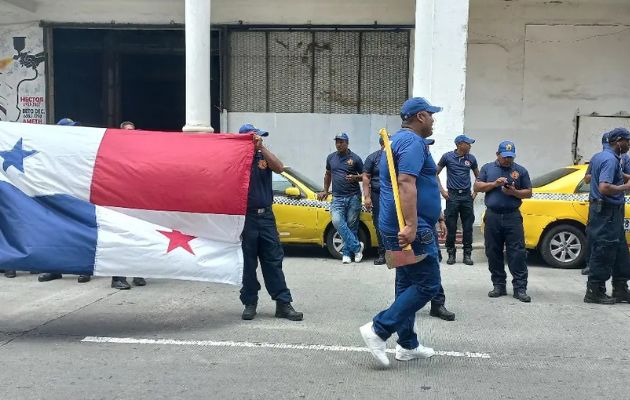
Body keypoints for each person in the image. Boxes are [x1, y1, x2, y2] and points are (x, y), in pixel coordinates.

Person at [359, 97, 443, 367]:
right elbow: (406, 183)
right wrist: (411, 224)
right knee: (428, 284)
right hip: (410, 229)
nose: (433, 120)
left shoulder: (395, 142)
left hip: (394, 225)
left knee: (407, 283)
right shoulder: (413, 142)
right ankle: (378, 329)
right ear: (420, 117)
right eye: (430, 115)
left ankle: (407, 345)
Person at [238, 124, 303, 321]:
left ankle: (283, 303)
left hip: (266, 217)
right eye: (256, 137)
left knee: (273, 261)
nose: (260, 139)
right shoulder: (238, 160)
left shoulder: (263, 156)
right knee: (248, 263)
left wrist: (262, 149)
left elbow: (280, 167)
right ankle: (250, 302)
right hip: (246, 218)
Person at [474, 141, 532, 302]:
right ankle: (498, 285)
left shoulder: (520, 171)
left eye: (511, 157)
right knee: (493, 251)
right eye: (505, 157)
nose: (508, 160)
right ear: (497, 154)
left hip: (512, 216)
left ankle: (520, 288)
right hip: (492, 216)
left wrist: (514, 192)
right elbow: (477, 186)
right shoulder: (488, 168)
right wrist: (494, 184)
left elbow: (528, 193)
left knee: (517, 252)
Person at [38, 117, 92, 284]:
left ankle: (83, 268)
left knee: (81, 230)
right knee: (55, 230)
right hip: (57, 193)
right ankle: (54, 268)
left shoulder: (81, 147)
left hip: (78, 193)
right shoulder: (51, 149)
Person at [583, 128, 630, 304]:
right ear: (618, 141)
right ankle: (595, 290)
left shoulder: (603, 157)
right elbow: (604, 187)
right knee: (603, 250)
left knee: (619, 250)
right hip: (606, 211)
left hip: (611, 212)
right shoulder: (610, 159)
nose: (629, 145)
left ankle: (620, 288)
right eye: (627, 141)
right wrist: (625, 187)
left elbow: (611, 176)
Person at [317, 133, 365, 264]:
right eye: (337, 142)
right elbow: (328, 175)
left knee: (351, 226)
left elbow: (365, 176)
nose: (338, 144)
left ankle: (347, 254)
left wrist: (355, 178)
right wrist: (325, 190)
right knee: (337, 221)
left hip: (353, 197)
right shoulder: (331, 158)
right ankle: (357, 247)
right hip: (337, 197)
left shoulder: (355, 158)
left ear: (347, 143)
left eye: (341, 142)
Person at [111, 120, 147, 290]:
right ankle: (118, 277)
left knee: (139, 236)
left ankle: (138, 272)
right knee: (121, 239)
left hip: (137, 201)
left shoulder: (140, 152)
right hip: (120, 201)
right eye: (127, 131)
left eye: (133, 131)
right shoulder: (115, 153)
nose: (131, 134)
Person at [437, 134, 479, 265]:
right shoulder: (447, 157)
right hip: (452, 196)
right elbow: (434, 173)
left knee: (468, 227)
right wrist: (442, 191)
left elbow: (479, 176)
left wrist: (475, 192)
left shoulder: (471, 158)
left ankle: (467, 254)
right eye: (468, 143)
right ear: (459, 144)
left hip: (466, 197)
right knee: (451, 226)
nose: (470, 146)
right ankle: (451, 253)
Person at [362, 137, 386, 265]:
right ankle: (382, 253)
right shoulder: (373, 158)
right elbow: (366, 177)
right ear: (382, 143)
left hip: (394, 195)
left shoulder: (396, 157)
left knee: (395, 223)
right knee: (379, 223)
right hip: (377, 194)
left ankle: (395, 253)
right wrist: (367, 197)